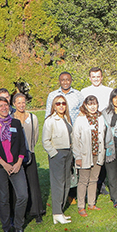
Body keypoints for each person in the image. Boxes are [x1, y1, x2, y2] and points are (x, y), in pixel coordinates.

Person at [0, 97, 29, 232]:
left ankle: (18, 226)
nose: (4, 108)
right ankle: (6, 228)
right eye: (0, 106)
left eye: (6, 105)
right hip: (0, 167)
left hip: (17, 164)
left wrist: (18, 162)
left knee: (23, 195)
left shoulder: (16, 123)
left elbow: (22, 144)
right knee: (4, 199)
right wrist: (4, 164)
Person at [72, 95, 115, 216]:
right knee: (83, 180)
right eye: (90, 104)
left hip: (98, 153)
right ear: (85, 105)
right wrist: (78, 156)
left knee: (94, 179)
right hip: (85, 155)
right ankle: (81, 206)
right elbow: (75, 138)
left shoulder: (100, 117)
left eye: (94, 104)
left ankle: (91, 203)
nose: (92, 107)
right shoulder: (80, 119)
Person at [12, 93, 45, 223]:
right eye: (18, 102)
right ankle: (21, 213)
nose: (21, 105)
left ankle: (37, 212)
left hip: (29, 153)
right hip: (15, 157)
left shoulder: (33, 117)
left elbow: (35, 135)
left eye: (23, 102)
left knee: (33, 184)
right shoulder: (10, 119)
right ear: (14, 104)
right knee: (19, 186)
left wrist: (29, 148)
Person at [41, 95, 74, 224]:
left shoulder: (66, 118)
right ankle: (56, 212)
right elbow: (45, 140)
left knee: (66, 183)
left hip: (68, 153)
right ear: (54, 106)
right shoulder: (50, 120)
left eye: (63, 103)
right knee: (58, 184)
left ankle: (60, 211)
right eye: (58, 103)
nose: (61, 106)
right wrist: (54, 154)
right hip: (58, 154)